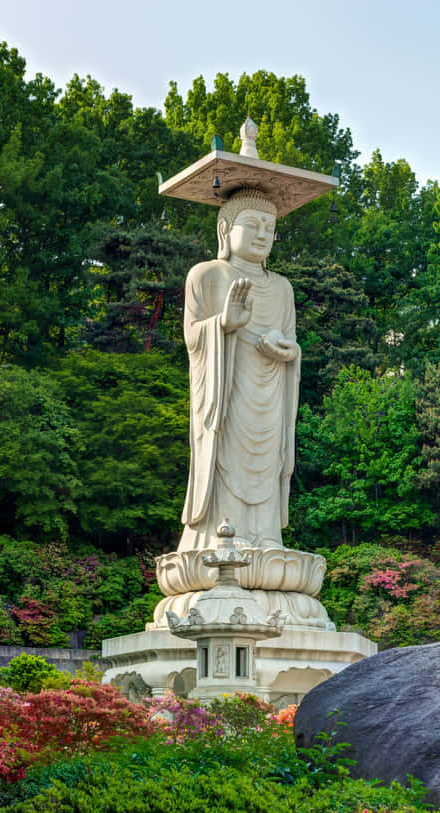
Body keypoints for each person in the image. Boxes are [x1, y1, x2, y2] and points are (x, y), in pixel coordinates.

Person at [178, 189, 300, 552]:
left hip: (270, 394)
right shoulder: (206, 276)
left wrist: (288, 350)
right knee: (227, 450)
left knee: (268, 457)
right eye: (253, 225)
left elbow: (293, 345)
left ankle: (267, 537)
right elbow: (192, 337)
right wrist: (223, 324)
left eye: (270, 227)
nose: (264, 235)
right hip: (226, 389)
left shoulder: (282, 288)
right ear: (223, 232)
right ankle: (224, 533)